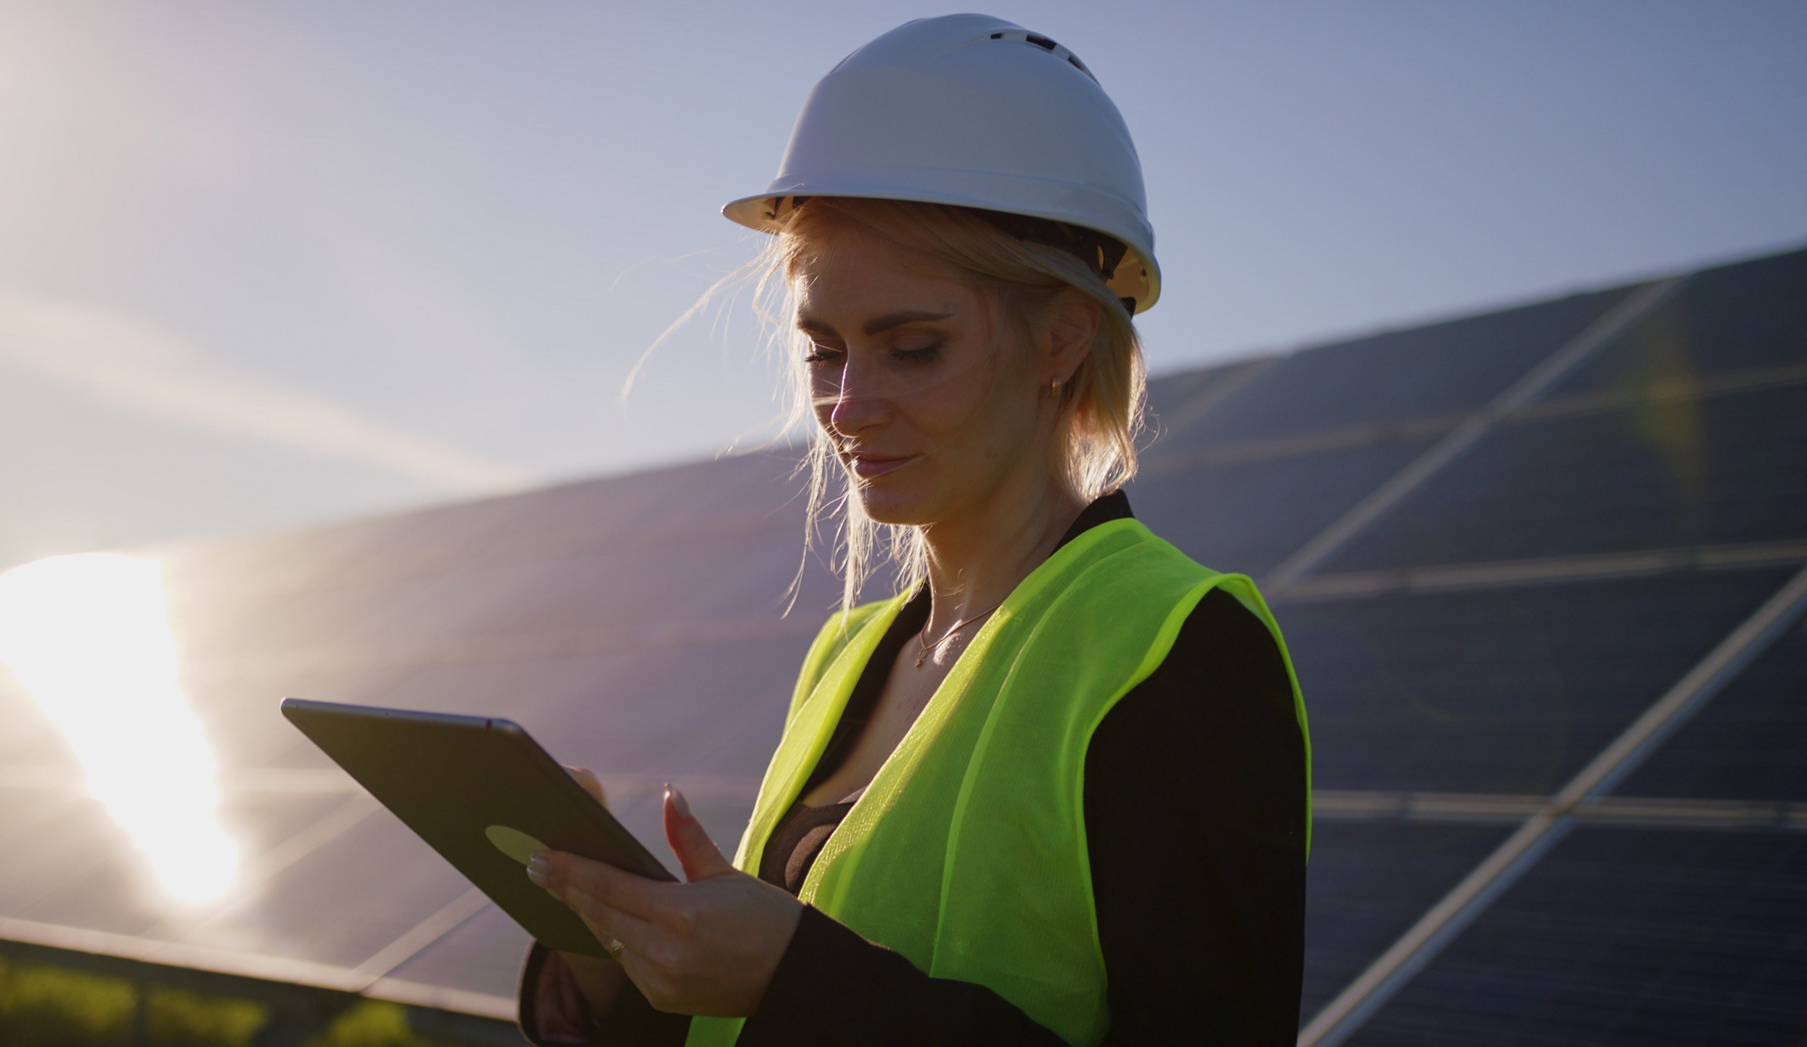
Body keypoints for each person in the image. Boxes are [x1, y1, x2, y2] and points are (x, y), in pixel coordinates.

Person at [516, 15, 1311, 1046]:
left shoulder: (1177, 651)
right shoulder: (846, 658)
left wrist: (800, 977)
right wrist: (613, 953)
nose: (847, 406)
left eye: (914, 347)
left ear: (1063, 337)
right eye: (824, 350)